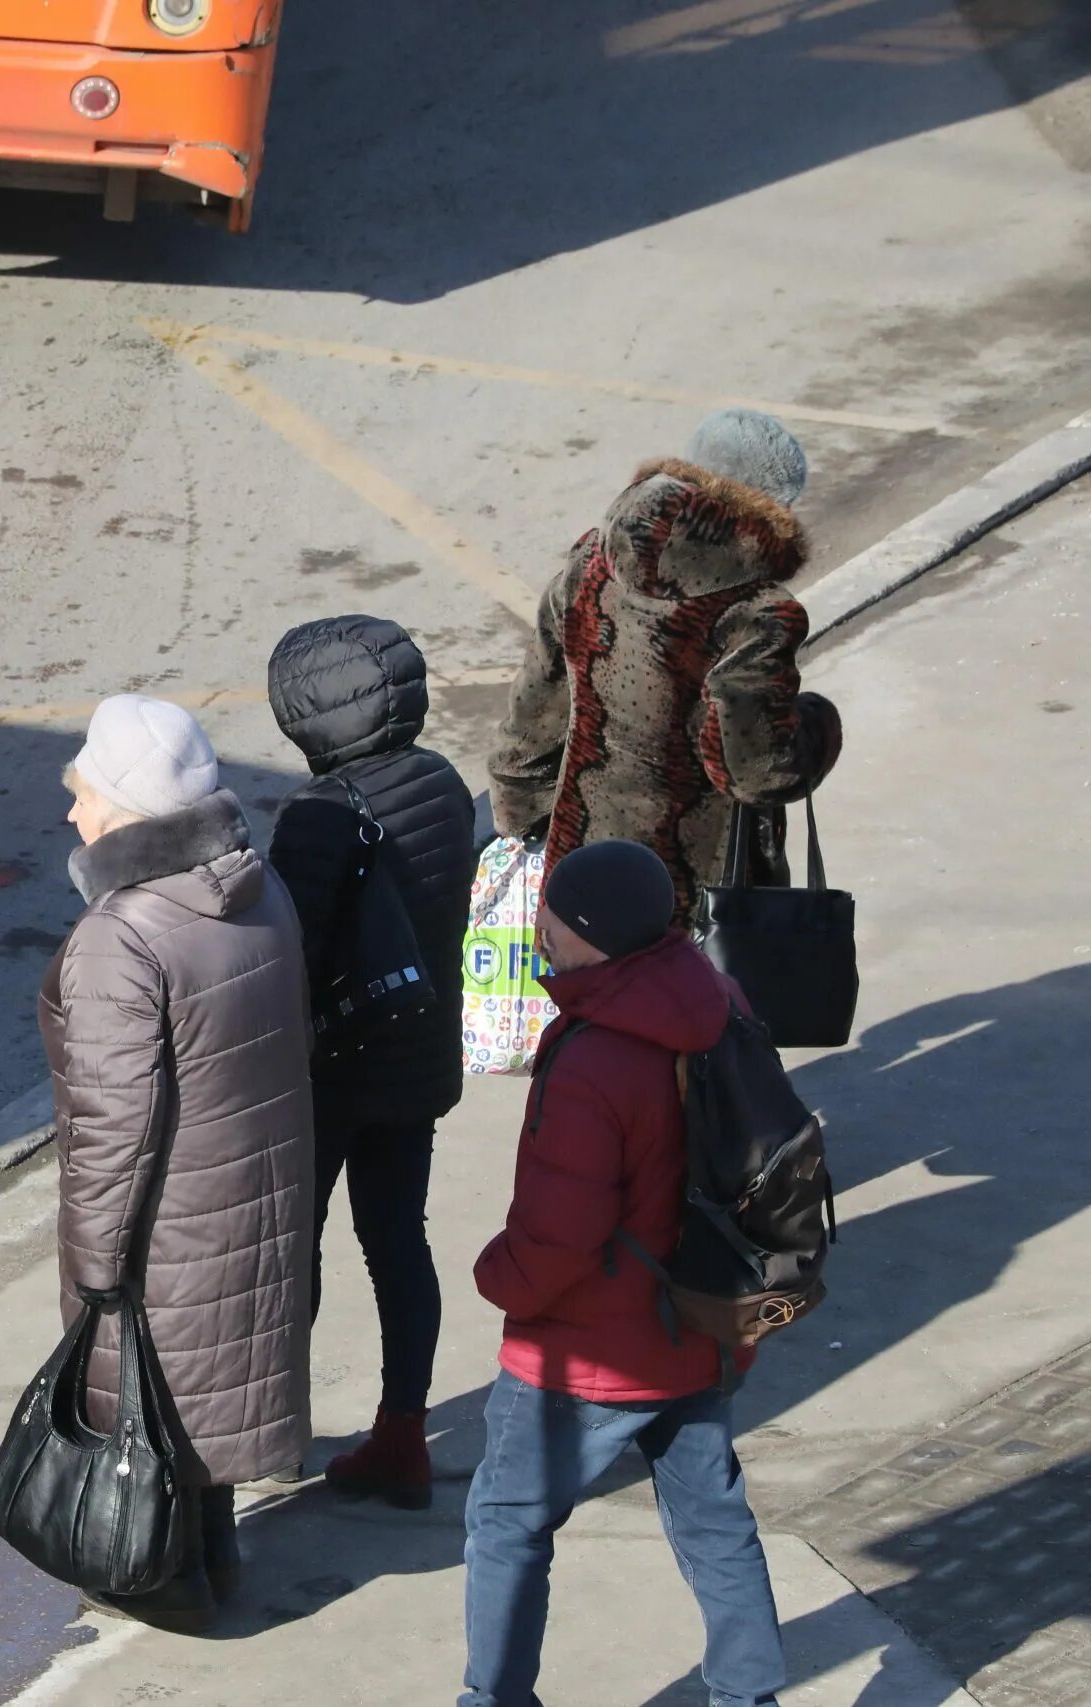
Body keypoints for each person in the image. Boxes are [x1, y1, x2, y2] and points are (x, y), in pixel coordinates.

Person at [462, 839, 784, 1707]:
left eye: (552, 917)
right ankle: (750, 1697)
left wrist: (500, 1277)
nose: (541, 927)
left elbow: (558, 1236)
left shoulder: (595, 1057)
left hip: (592, 1349)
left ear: (586, 935)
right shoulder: (719, 998)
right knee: (717, 1524)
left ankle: (493, 1698)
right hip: (704, 1324)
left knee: (507, 1521)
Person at [40, 694, 313, 1632]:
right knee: (209, 1385)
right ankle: (214, 1556)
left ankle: (163, 1578)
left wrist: (94, 1260)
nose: (72, 813)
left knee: (150, 1395)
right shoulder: (257, 886)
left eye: (84, 793)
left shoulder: (121, 937)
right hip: (250, 1197)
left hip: (165, 1221)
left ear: (124, 807)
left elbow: (115, 1124)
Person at [264, 615, 475, 1510]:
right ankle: (402, 1434)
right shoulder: (442, 782)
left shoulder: (316, 818)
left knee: (292, 1251)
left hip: (329, 1073)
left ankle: (278, 1425)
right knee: (398, 1240)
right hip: (415, 1056)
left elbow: (286, 958)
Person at [490, 409, 844, 926]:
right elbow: (757, 772)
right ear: (776, 504)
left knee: (585, 999)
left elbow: (535, 713)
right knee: (682, 1004)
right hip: (691, 894)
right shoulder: (756, 613)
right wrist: (819, 724)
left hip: (581, 865)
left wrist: (525, 816)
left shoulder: (592, 560)